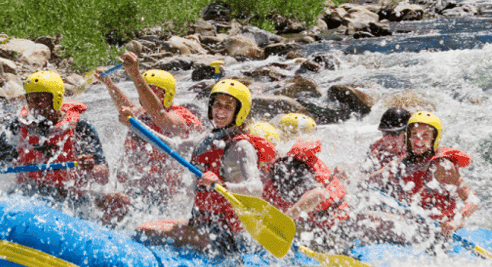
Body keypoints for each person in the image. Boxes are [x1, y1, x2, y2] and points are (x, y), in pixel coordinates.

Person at [0, 70, 115, 215]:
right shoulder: (21, 126)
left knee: (117, 201)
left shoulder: (81, 129)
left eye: (40, 99)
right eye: (30, 99)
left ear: (56, 98)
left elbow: (103, 177)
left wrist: (90, 167)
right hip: (27, 193)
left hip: (70, 197)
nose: (34, 105)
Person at [167, 78, 277, 253]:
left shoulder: (240, 147)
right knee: (158, 226)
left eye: (228, 106)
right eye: (217, 104)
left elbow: (256, 188)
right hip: (202, 223)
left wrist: (221, 185)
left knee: (145, 229)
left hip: (227, 235)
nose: (220, 111)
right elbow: (173, 145)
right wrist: (135, 125)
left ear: (239, 112)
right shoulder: (208, 138)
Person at [98, 52, 204, 210]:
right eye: (143, 91)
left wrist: (135, 74)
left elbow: (160, 117)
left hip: (166, 191)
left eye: (149, 91)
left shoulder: (179, 118)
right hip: (139, 187)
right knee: (105, 200)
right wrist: (109, 84)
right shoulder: (142, 113)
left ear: (166, 95)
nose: (143, 95)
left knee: (113, 203)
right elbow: (127, 105)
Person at [366, 111, 479, 241]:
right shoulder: (406, 159)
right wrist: (348, 179)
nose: (418, 140)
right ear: (408, 136)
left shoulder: (442, 166)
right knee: (364, 215)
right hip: (415, 222)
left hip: (438, 229)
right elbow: (373, 178)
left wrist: (455, 222)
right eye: (414, 134)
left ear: (434, 138)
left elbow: (472, 200)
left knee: (371, 224)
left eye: (425, 135)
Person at [259, 113, 352, 250]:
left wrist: (283, 222)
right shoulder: (299, 158)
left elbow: (318, 194)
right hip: (341, 218)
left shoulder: (286, 166)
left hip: (333, 230)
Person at [364, 107, 411, 175]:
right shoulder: (376, 147)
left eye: (394, 134)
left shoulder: (412, 151)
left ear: (407, 133)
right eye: (385, 133)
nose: (389, 139)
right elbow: (363, 172)